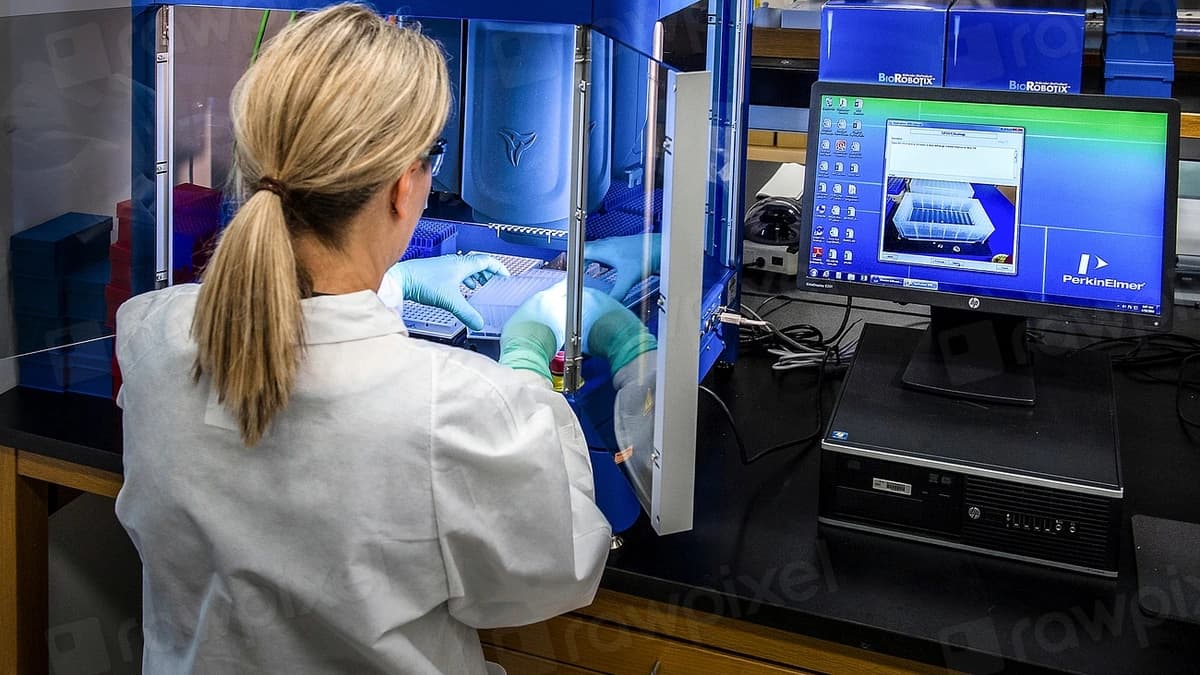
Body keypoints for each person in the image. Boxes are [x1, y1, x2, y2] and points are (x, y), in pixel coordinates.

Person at [113, 6, 648, 672]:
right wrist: (532, 365)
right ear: (406, 186)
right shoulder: (459, 412)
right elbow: (556, 570)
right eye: (434, 159)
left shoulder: (150, 338)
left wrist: (395, 285)